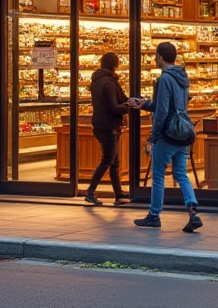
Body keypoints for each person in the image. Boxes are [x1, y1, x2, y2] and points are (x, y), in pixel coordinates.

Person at [133, 41, 202, 232]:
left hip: (167, 134)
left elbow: (162, 110)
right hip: (183, 131)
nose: (154, 58)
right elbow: (176, 105)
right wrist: (145, 104)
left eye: (155, 55)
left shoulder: (164, 79)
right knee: (181, 173)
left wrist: (154, 136)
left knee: (158, 176)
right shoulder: (183, 77)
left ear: (161, 57)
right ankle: (192, 211)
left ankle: (154, 215)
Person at [83, 52, 133, 206]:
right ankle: (90, 191)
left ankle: (118, 194)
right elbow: (114, 106)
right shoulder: (109, 82)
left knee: (113, 161)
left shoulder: (97, 80)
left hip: (99, 124)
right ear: (114, 65)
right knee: (108, 160)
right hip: (109, 126)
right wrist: (129, 107)